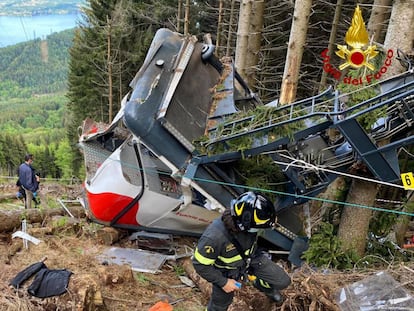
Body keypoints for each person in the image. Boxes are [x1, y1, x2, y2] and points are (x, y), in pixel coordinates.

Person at [193, 191, 291, 311]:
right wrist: (223, 282)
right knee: (219, 307)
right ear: (244, 224)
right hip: (226, 271)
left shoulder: (248, 219)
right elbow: (200, 265)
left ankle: (260, 284)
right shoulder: (214, 238)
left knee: (283, 281)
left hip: (251, 259)